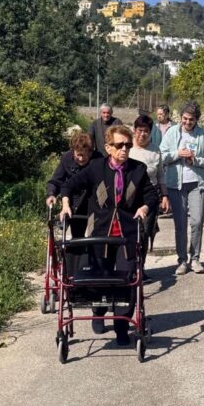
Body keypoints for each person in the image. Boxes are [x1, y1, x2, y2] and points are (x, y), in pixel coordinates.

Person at [60, 125, 157, 346]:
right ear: (108, 147)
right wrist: (65, 204)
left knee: (127, 281)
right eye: (119, 145)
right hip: (100, 234)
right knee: (101, 278)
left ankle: (122, 326)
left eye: (128, 145)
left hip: (127, 236)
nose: (124, 149)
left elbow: (151, 195)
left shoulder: (138, 169)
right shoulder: (96, 168)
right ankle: (99, 311)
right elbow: (69, 186)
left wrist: (144, 208)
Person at [160, 100, 204, 275]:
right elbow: (161, 155)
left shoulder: (203, 135)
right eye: (185, 118)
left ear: (196, 120)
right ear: (181, 118)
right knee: (180, 223)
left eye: (191, 119)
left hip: (196, 184)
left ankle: (196, 258)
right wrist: (177, 154)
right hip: (176, 184)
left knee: (197, 221)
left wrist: (196, 160)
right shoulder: (171, 133)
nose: (187, 122)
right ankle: (182, 260)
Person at [130, 115, 170, 280]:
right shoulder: (127, 149)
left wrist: (165, 195)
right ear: (134, 130)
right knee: (130, 232)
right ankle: (129, 266)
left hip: (150, 196)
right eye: (140, 131)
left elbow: (160, 175)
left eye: (146, 131)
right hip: (130, 196)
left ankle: (141, 267)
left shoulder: (155, 150)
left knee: (145, 232)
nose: (143, 134)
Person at [45, 133, 101, 236]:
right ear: (73, 152)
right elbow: (57, 180)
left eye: (83, 155)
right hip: (74, 202)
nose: (80, 159)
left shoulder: (99, 160)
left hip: (93, 201)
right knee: (76, 237)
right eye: (78, 155)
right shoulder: (67, 158)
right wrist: (51, 194)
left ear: (90, 152)